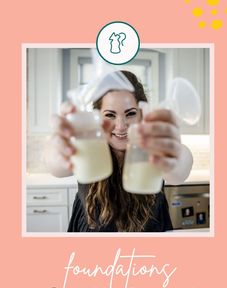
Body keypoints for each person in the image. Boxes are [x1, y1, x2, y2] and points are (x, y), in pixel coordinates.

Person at [45, 71, 193, 232]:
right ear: (97, 117)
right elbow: (55, 165)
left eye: (130, 114)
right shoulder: (87, 149)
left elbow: (180, 170)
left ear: (141, 115)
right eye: (110, 115)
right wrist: (60, 147)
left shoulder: (153, 148)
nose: (121, 126)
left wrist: (174, 154)